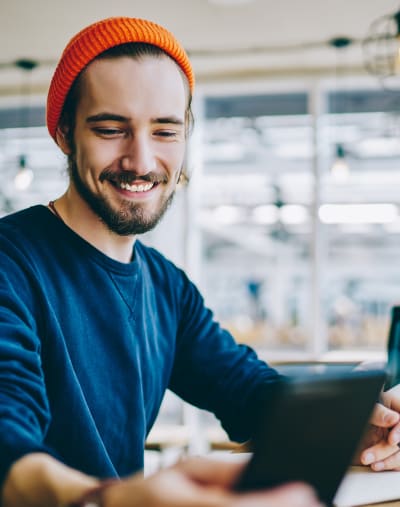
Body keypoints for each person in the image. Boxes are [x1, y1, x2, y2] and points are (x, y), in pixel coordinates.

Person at [0, 15, 397, 507]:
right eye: (109, 129)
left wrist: (364, 425)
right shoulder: (10, 265)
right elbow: (8, 449)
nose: (141, 160)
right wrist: (104, 500)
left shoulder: (167, 288)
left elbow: (249, 391)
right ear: (63, 133)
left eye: (164, 131)